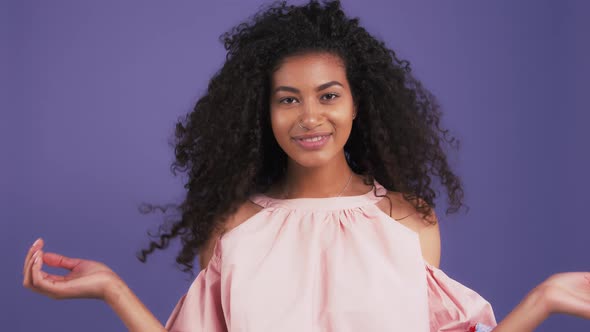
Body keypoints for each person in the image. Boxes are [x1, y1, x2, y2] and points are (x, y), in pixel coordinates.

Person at [22, 1, 590, 331]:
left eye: (328, 95)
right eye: (288, 98)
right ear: (263, 111)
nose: (309, 116)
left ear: (357, 104)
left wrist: (542, 300)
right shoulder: (233, 225)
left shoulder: (407, 221)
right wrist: (115, 292)